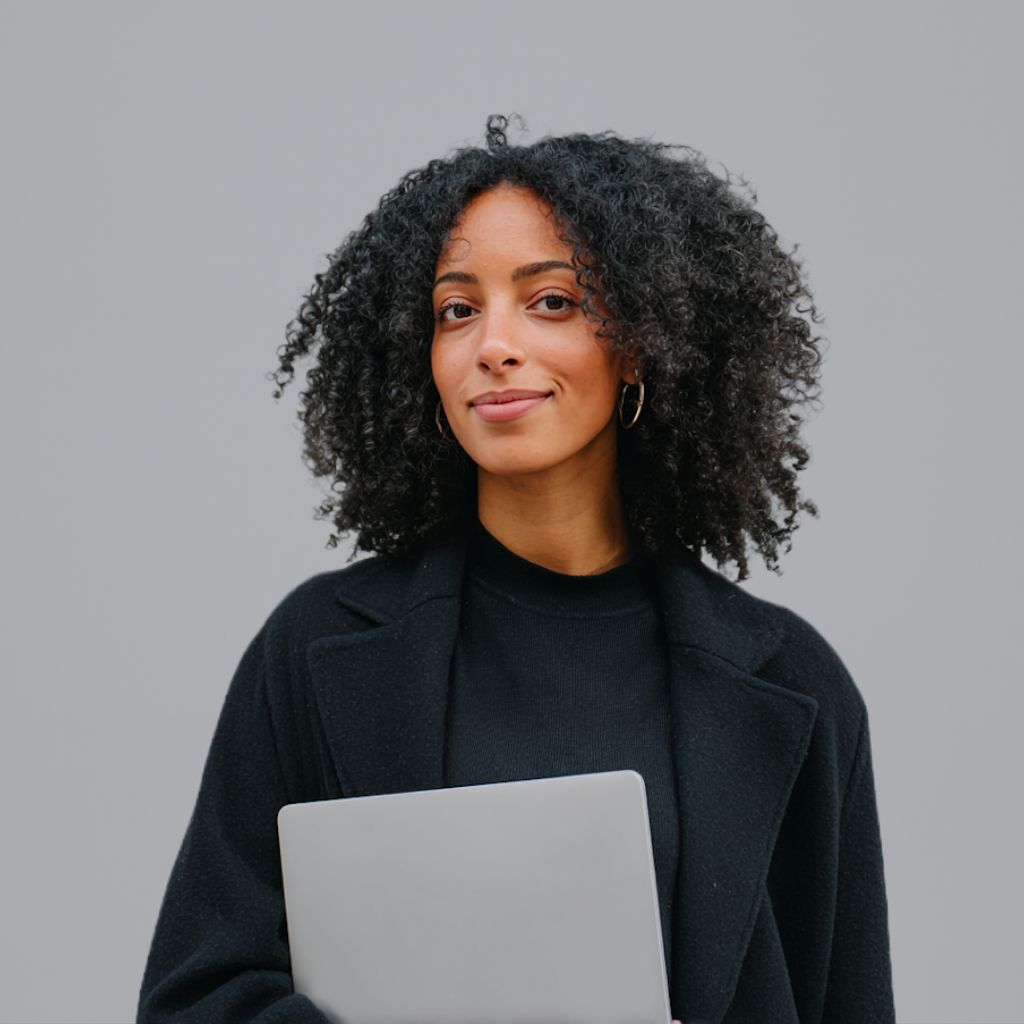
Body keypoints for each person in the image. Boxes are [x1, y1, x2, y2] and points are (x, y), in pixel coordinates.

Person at [137, 114, 896, 1023]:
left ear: (641, 348)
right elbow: (194, 999)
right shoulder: (314, 650)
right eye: (457, 309)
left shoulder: (793, 683)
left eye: (552, 301)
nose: (493, 344)